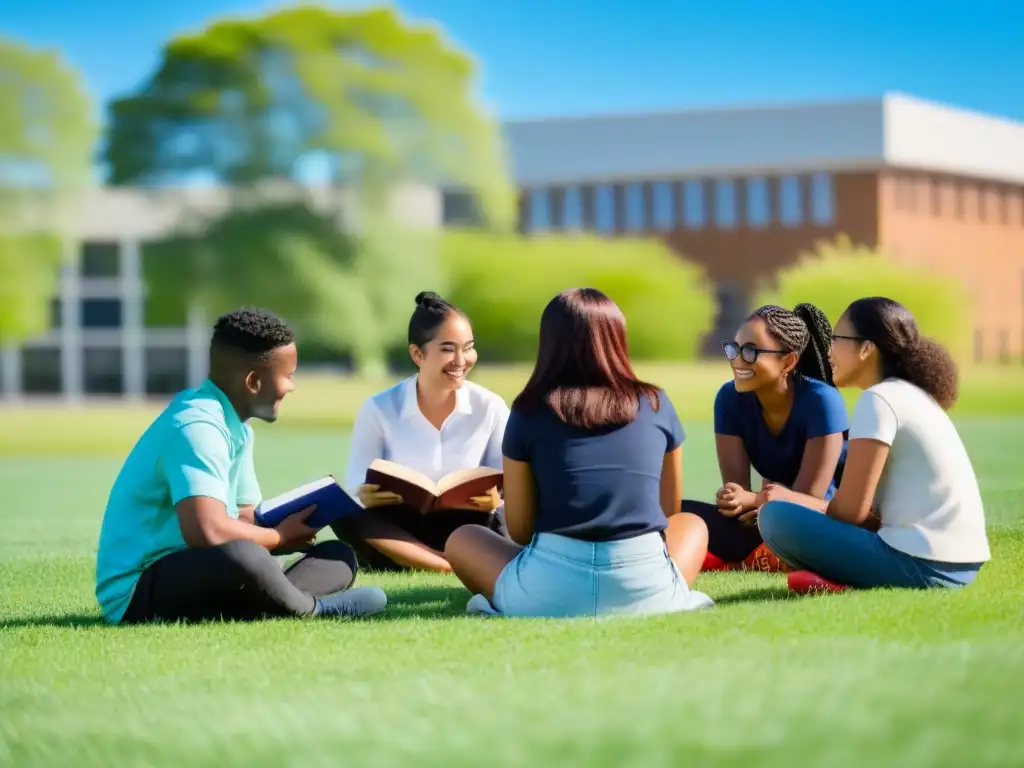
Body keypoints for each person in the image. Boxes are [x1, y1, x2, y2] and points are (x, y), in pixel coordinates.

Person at [94, 308, 387, 625]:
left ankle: (272, 602)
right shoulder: (197, 426)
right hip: (140, 590)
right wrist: (277, 538)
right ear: (253, 381)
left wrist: (295, 521)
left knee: (337, 556)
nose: (292, 387)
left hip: (204, 569)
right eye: (288, 376)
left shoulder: (239, 428)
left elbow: (245, 515)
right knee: (244, 556)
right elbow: (206, 531)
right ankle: (313, 609)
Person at [444, 288, 714, 618]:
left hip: (547, 590)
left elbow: (520, 530)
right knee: (692, 524)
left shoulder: (528, 410)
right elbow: (667, 514)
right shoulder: (657, 402)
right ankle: (655, 597)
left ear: (549, 343)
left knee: (463, 538)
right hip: (644, 585)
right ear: (617, 337)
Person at [756, 297, 991, 593]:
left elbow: (850, 512)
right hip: (959, 565)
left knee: (776, 516)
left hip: (924, 565)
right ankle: (838, 577)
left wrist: (793, 498)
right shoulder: (912, 395)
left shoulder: (878, 400)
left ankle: (840, 578)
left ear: (866, 348)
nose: (828, 350)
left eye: (836, 339)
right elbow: (871, 517)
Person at [332, 292, 510, 573]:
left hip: (471, 528)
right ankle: (446, 565)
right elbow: (356, 483)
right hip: (402, 528)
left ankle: (426, 560)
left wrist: (498, 499)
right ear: (417, 354)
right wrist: (366, 495)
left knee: (511, 514)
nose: (462, 360)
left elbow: (510, 483)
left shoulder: (490, 406)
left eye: (469, 348)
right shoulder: (379, 408)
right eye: (448, 349)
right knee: (344, 511)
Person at [682, 304, 850, 572]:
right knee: (679, 513)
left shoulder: (823, 401)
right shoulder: (729, 398)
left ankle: (748, 557)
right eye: (733, 349)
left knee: (793, 528)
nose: (737, 360)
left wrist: (754, 499)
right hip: (766, 518)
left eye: (750, 352)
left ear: (788, 362)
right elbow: (738, 494)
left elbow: (805, 501)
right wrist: (732, 499)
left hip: (819, 520)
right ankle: (757, 556)